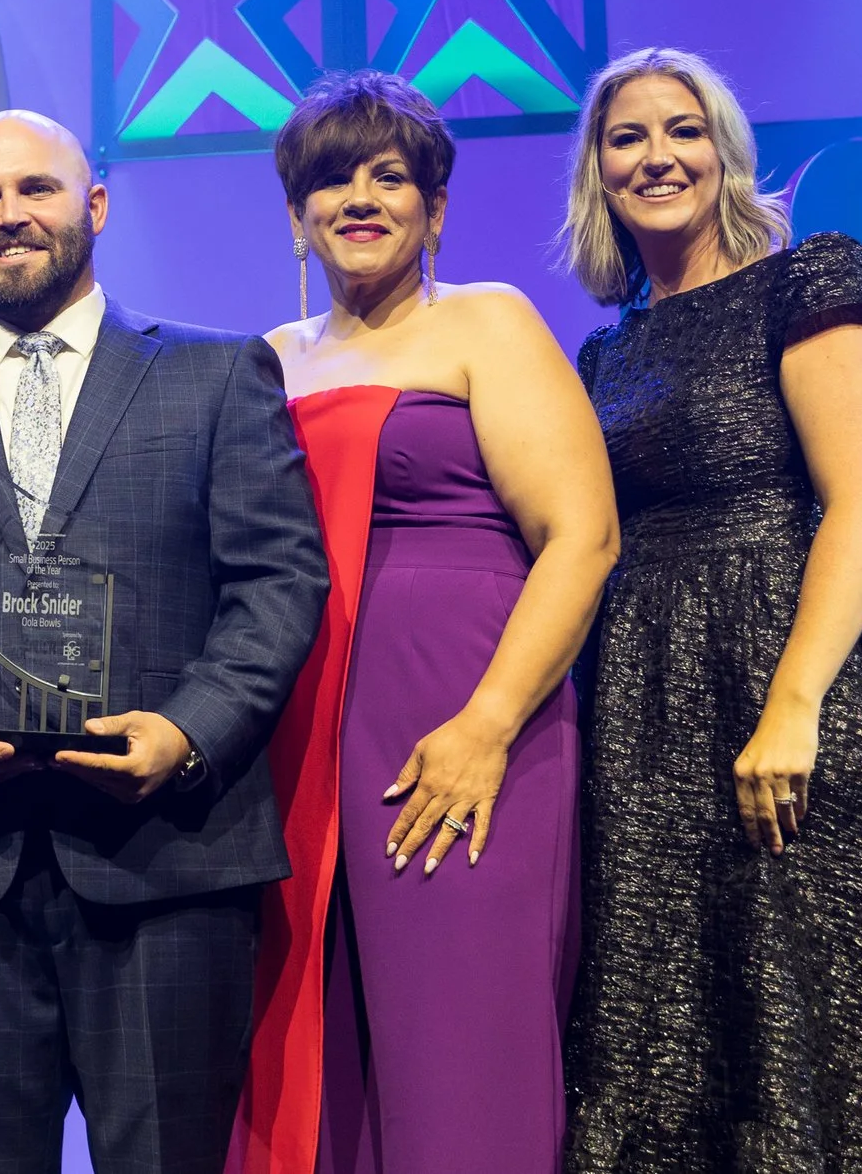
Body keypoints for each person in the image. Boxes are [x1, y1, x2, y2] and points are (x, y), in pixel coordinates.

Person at [0, 110, 330, 1174]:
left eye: (36, 189)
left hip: (164, 858)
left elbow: (278, 584)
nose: (11, 216)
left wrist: (187, 733)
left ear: (92, 205)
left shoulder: (216, 375)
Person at [558, 48, 862, 1171]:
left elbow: (860, 508)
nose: (656, 154)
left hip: (786, 675)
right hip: (640, 708)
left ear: (724, 149)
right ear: (596, 171)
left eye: (683, 128)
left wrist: (793, 705)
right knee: (667, 1024)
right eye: (626, 136)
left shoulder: (808, 276)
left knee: (822, 1012)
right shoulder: (600, 350)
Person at [228, 72, 617, 1174]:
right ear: (296, 212)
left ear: (435, 208)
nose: (359, 198)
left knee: (459, 1055)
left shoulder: (487, 322)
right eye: (329, 178)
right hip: (299, 748)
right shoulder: (264, 359)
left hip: (463, 728)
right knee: (313, 1061)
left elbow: (581, 537)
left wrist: (485, 726)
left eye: (389, 175)